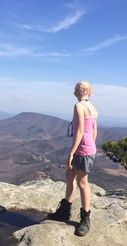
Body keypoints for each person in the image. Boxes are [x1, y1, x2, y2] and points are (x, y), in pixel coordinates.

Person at [47, 80, 98, 237]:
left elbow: (80, 131)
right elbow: (94, 131)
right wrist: (91, 147)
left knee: (82, 183)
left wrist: (71, 153)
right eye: (80, 89)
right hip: (88, 148)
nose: (80, 91)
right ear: (90, 93)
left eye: (81, 89)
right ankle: (65, 210)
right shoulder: (92, 107)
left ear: (76, 93)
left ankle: (85, 218)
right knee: (69, 176)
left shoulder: (79, 106)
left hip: (82, 150)